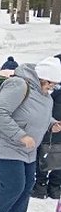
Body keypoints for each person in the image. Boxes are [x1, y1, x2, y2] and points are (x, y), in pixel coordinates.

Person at [0, 57, 61, 212]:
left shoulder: (44, 94)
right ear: (44, 79)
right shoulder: (19, 85)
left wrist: (52, 124)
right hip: (3, 143)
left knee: (27, 185)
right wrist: (20, 135)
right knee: (14, 185)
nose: (53, 88)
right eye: (53, 84)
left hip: (26, 148)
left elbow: (37, 115)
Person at [34, 57, 61, 199]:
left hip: (50, 127)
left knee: (43, 155)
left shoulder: (54, 88)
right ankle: (55, 188)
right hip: (53, 125)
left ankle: (40, 186)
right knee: (59, 158)